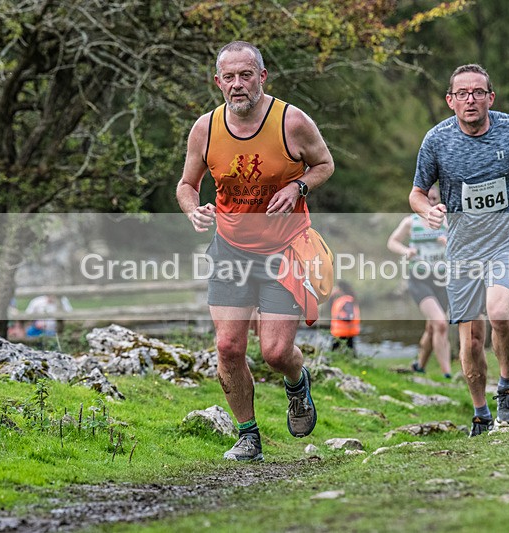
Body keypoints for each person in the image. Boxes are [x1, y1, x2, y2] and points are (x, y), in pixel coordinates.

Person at [176, 41, 335, 461]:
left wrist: (298, 186)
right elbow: (187, 184)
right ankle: (248, 436)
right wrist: (193, 210)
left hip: (286, 249)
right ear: (218, 82)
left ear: (262, 77)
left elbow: (325, 164)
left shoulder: (291, 121)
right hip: (230, 250)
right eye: (229, 77)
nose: (237, 84)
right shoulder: (205, 129)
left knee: (275, 353)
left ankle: (297, 383)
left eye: (245, 75)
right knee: (228, 347)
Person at [409, 64, 509, 437]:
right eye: (462, 93)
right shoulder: (436, 140)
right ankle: (480, 413)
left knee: (498, 311)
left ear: (491, 97)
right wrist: (427, 211)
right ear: (450, 101)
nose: (471, 99)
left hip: (507, 241)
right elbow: (416, 193)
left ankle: (507, 386)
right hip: (462, 251)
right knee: (472, 340)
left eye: (478, 92)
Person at [387, 186, 452, 379]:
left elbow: (461, 245)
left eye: (434, 199)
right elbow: (392, 242)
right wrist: (406, 251)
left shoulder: (446, 221)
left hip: (442, 280)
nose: (430, 202)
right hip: (419, 279)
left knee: (432, 327)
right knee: (441, 323)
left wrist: (448, 242)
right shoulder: (411, 222)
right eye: (427, 198)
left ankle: (420, 365)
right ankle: (447, 374)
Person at [329, 281, 361, 353]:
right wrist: (331, 297)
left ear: (340, 288)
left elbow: (350, 316)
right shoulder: (344, 299)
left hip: (344, 332)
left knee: (334, 350)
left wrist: (339, 317)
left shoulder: (346, 300)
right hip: (344, 331)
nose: (334, 289)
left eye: (336, 287)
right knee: (350, 350)